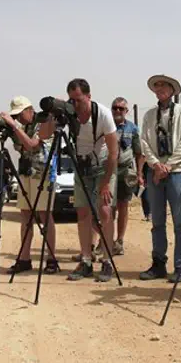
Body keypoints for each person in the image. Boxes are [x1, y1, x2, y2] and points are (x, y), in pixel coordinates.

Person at [139, 74, 181, 283]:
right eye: (157, 86)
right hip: (156, 171)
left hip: (177, 171)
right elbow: (144, 142)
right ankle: (158, 263)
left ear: (172, 90)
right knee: (157, 221)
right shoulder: (149, 115)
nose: (160, 89)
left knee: (180, 221)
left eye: (164, 86)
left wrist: (168, 165)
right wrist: (155, 165)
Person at [66, 78, 119, 283]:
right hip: (81, 168)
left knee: (105, 211)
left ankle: (106, 260)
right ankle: (86, 259)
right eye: (72, 100)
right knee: (82, 212)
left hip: (103, 166)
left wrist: (106, 182)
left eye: (79, 100)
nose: (75, 105)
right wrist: (54, 116)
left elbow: (114, 153)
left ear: (89, 96)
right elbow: (44, 135)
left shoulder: (103, 115)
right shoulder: (69, 115)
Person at [0, 96, 59, 275]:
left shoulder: (43, 122)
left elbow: (33, 144)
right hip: (26, 172)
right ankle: (24, 259)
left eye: (20, 114)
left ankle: (51, 258)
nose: (18, 118)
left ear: (29, 110)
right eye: (15, 115)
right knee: (25, 215)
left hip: (42, 174)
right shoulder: (19, 126)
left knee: (44, 214)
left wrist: (14, 125)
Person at [110, 97, 144, 256]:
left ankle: (119, 241)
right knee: (108, 207)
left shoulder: (133, 128)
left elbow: (139, 153)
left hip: (125, 171)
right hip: (108, 171)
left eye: (121, 109)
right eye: (115, 108)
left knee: (123, 206)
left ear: (126, 111)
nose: (117, 111)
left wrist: (139, 174)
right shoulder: (106, 125)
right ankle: (106, 241)